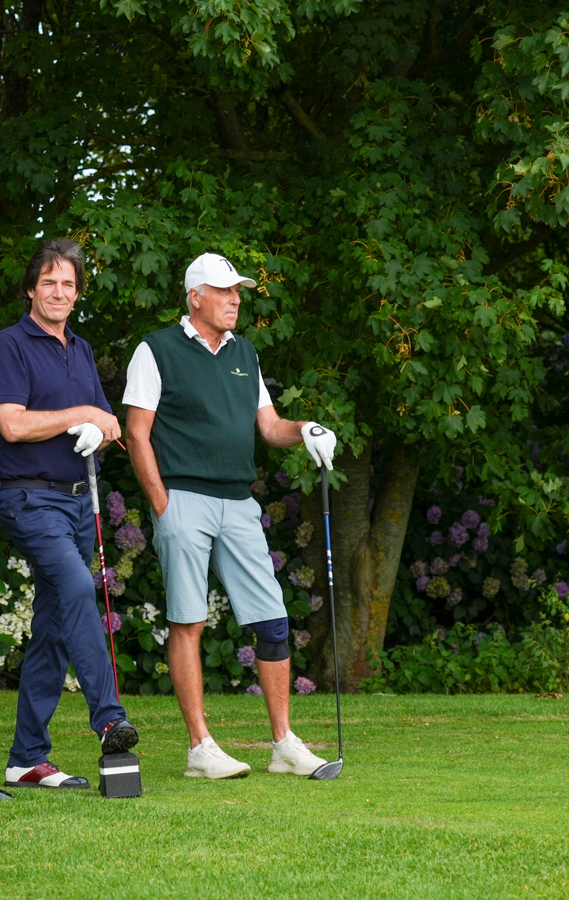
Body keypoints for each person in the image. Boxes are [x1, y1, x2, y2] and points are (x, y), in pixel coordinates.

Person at [123, 252, 337, 779]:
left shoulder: (245, 353)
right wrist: (162, 503)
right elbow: (137, 433)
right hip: (183, 499)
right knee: (189, 621)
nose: (235, 299)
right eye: (223, 290)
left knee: (273, 621)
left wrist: (306, 429)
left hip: (239, 502)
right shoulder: (156, 349)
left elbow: (269, 426)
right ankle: (201, 749)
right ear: (195, 297)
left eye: (237, 291)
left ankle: (284, 745)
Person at [0, 238, 139, 789]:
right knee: (75, 587)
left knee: (52, 629)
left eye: (68, 284)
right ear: (31, 289)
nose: (58, 292)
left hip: (76, 501)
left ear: (76, 294)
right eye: (48, 282)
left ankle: (26, 758)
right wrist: (84, 413)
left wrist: (102, 427)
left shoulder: (82, 349)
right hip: (29, 498)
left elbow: (110, 424)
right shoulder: (9, 345)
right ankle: (110, 719)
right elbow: (12, 424)